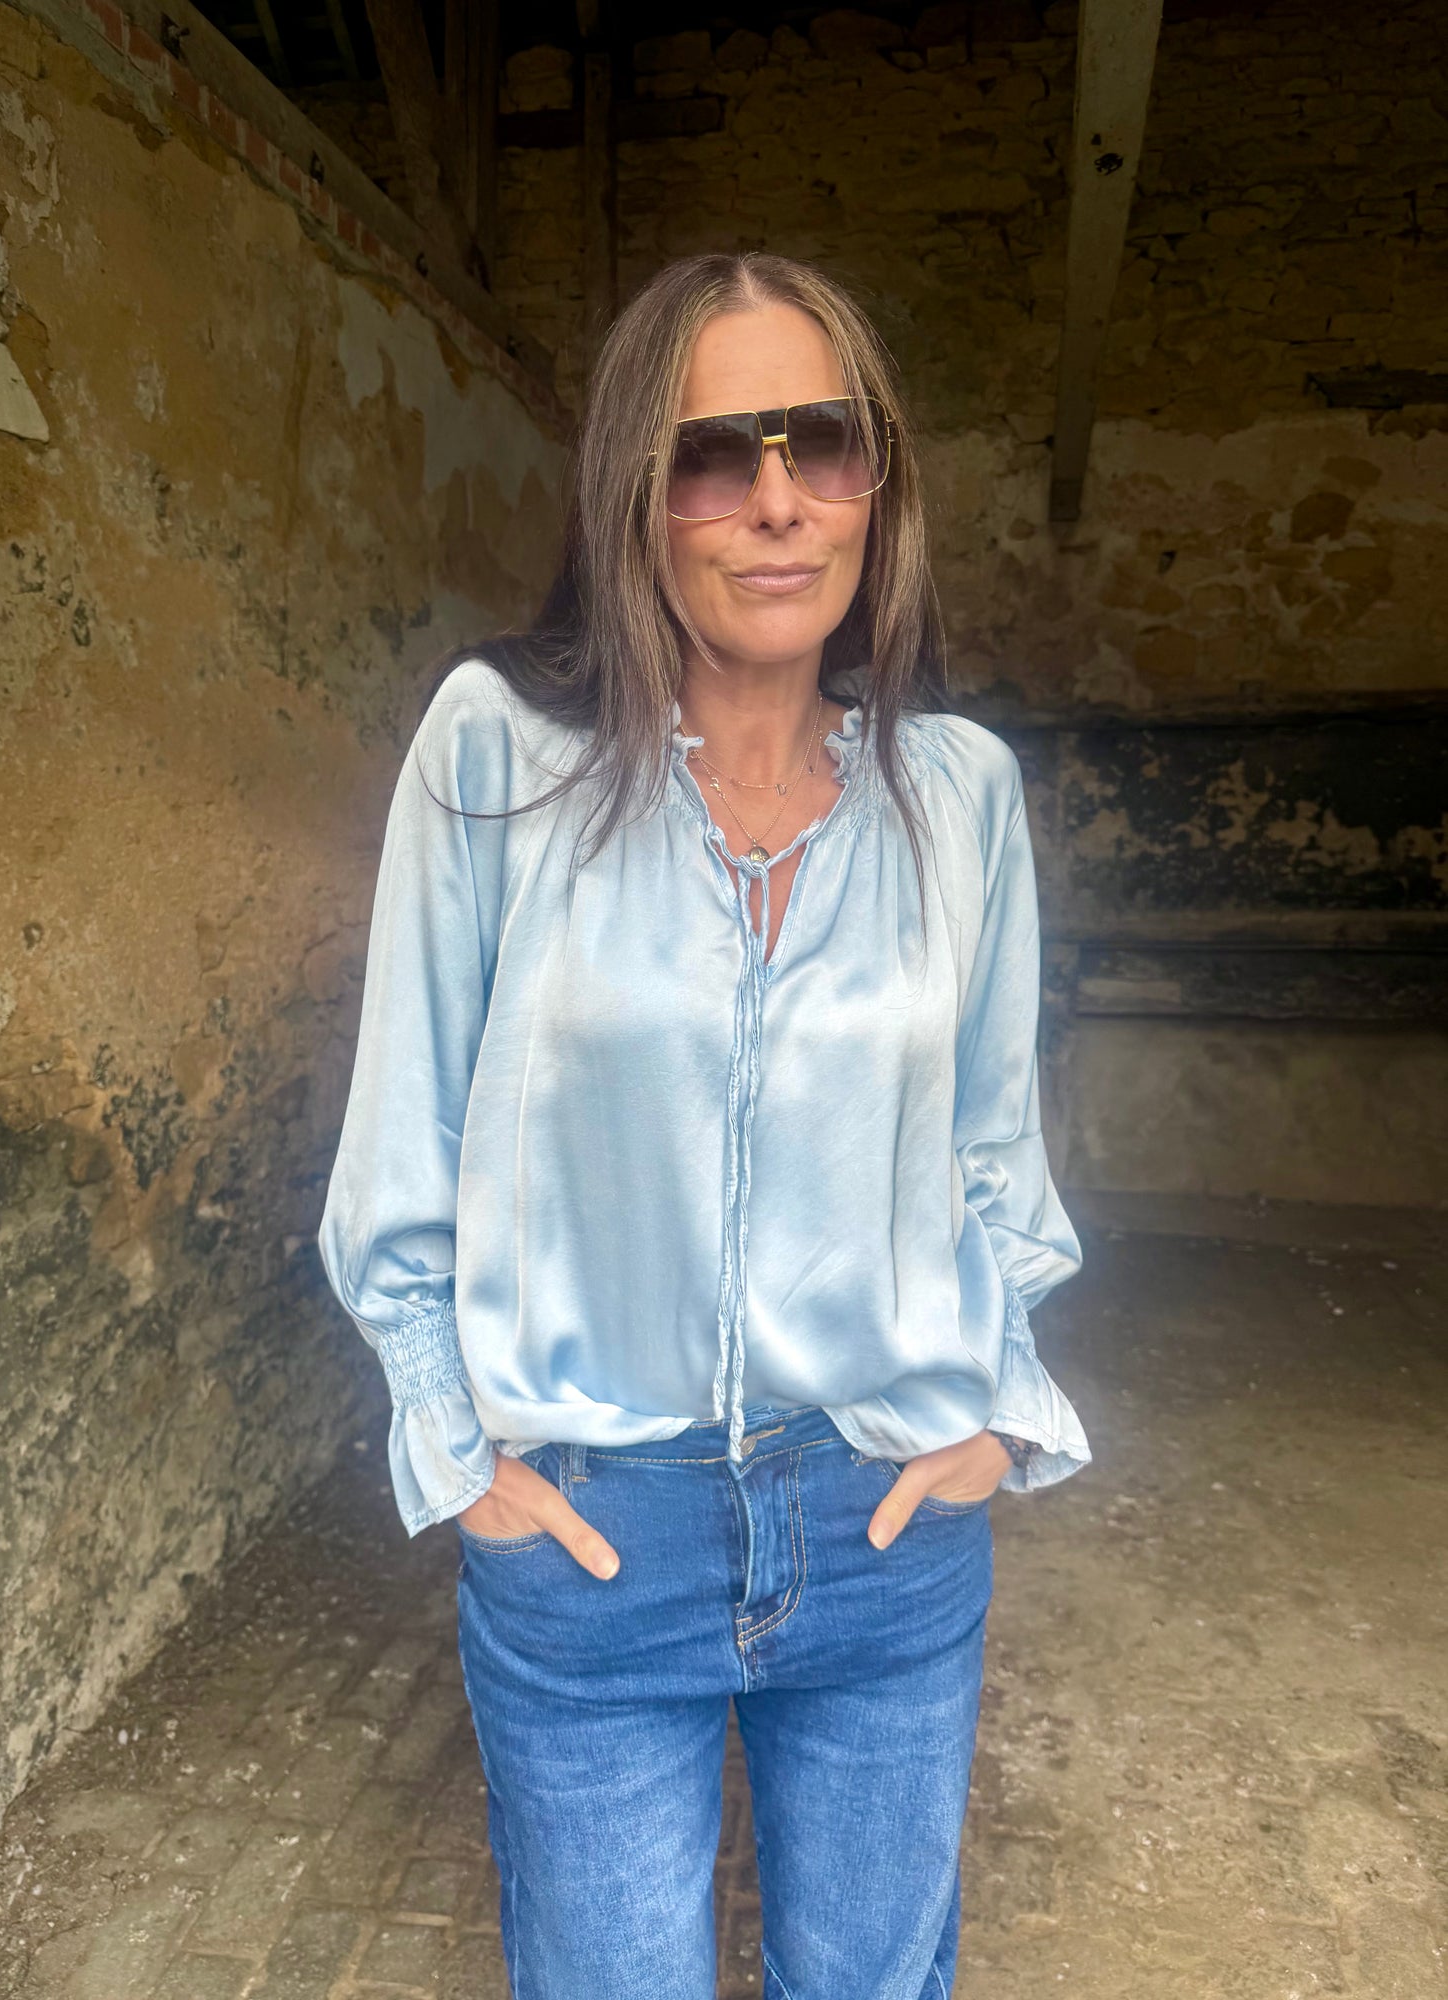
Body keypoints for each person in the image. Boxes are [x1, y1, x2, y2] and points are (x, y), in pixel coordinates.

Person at [318, 250, 1090, 2000]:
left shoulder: (958, 792)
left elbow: (989, 1151)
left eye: (825, 442)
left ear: (879, 481)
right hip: (599, 1541)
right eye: (712, 455)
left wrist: (1001, 1403)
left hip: (884, 1525)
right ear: (631, 493)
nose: (777, 503)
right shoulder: (498, 757)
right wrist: (460, 1451)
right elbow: (403, 1142)